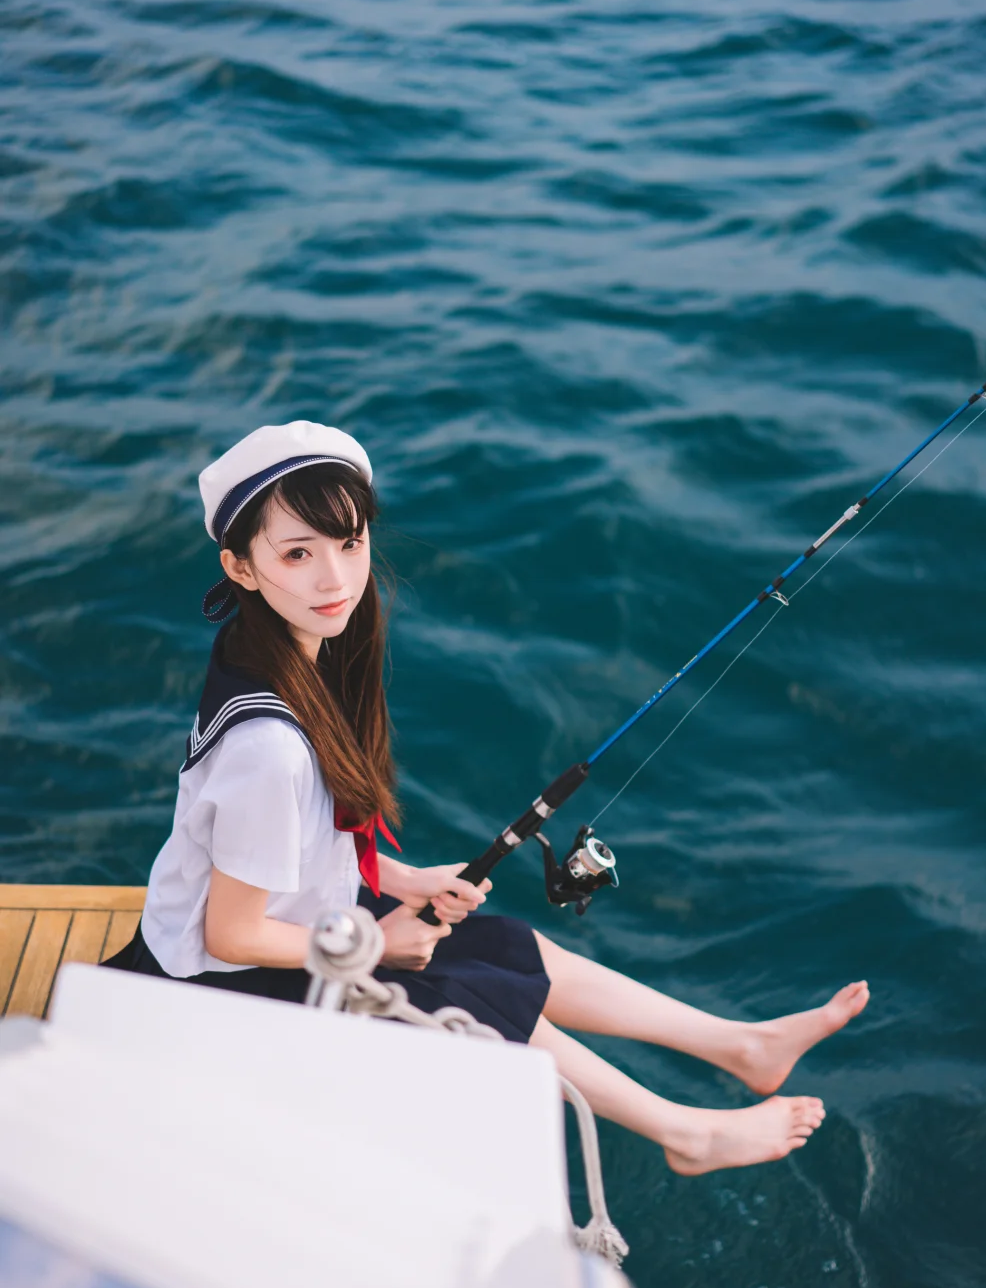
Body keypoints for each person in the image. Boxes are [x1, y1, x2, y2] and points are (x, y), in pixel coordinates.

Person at [103, 421, 869, 1174]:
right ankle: (685, 1133)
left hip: (283, 923)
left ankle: (738, 1045)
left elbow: (297, 840)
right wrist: (375, 942)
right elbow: (231, 933)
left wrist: (399, 881)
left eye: (349, 543)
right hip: (214, 985)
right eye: (297, 554)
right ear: (240, 567)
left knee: (509, 946)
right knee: (467, 988)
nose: (334, 578)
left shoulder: (290, 654)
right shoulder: (269, 744)